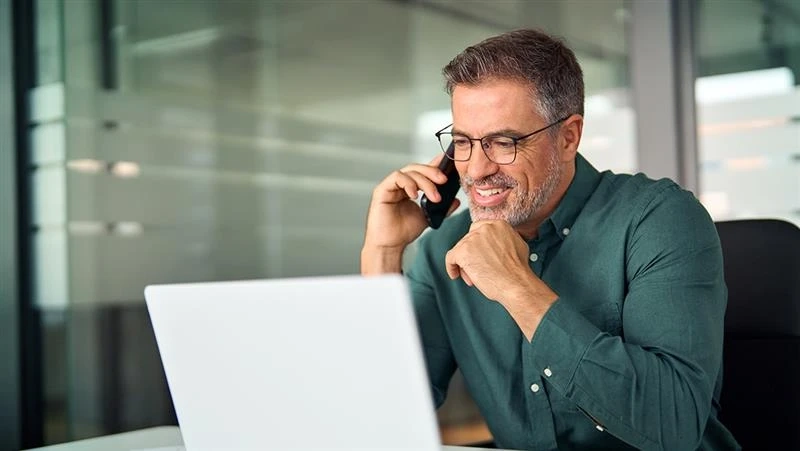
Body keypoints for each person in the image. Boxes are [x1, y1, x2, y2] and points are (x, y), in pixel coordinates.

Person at [361, 29, 740, 450]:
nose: (477, 169)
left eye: (504, 143)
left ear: (568, 137)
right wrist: (384, 250)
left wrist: (516, 286)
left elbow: (674, 426)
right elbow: (377, 411)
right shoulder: (443, 247)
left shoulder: (659, 219)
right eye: (464, 143)